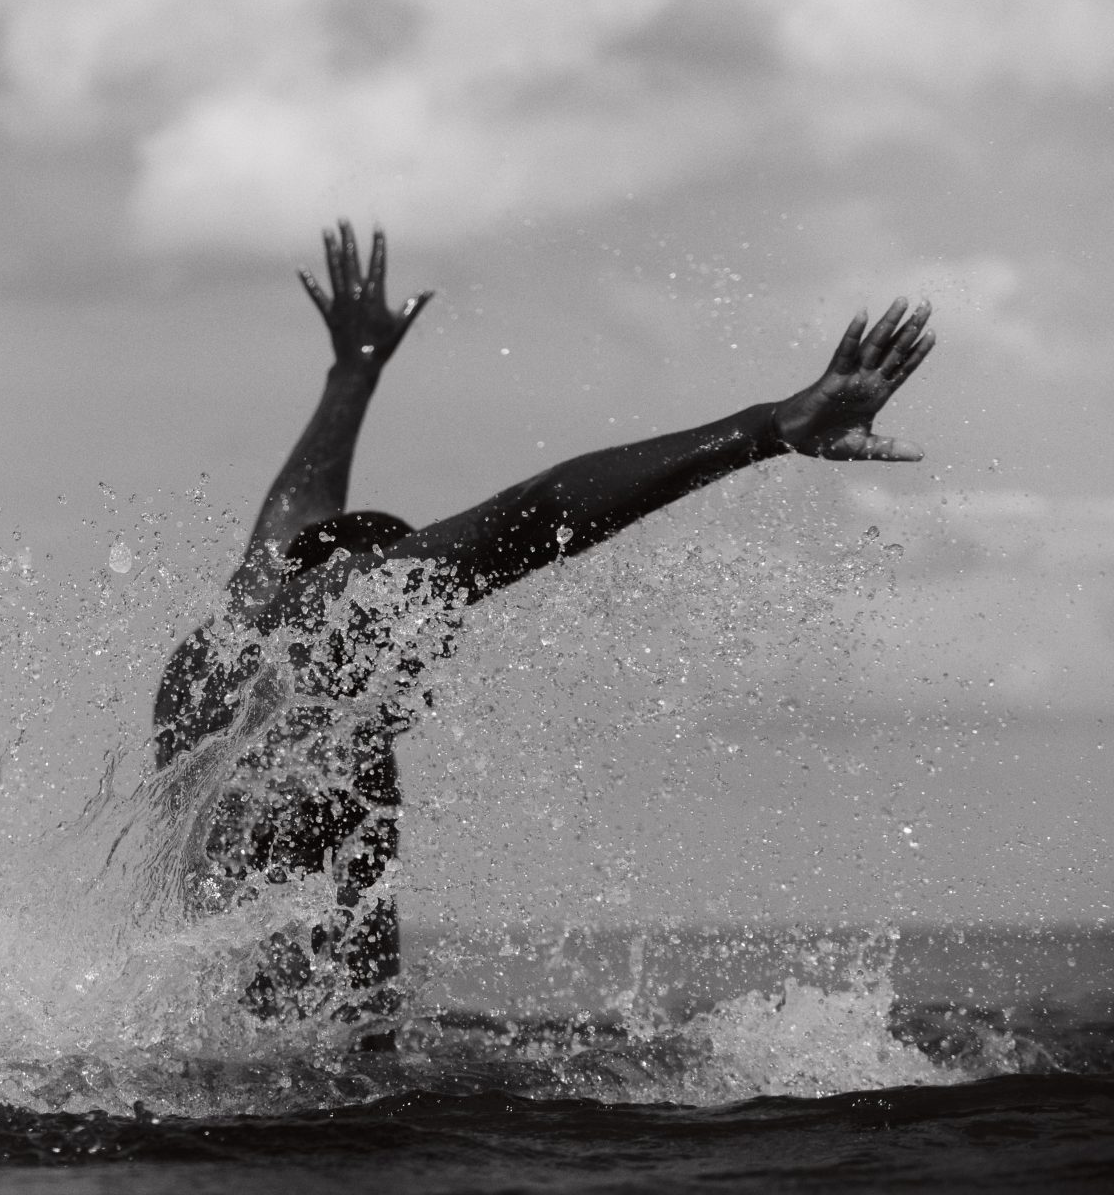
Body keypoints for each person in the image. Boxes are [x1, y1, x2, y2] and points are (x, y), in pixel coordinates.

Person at [151, 222, 934, 1032]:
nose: (436, 649)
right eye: (432, 623)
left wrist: (355, 371)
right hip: (306, 1087)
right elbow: (540, 512)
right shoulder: (359, 608)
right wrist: (764, 429)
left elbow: (296, 511)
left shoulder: (233, 645)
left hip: (197, 1039)